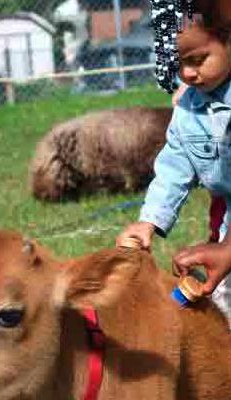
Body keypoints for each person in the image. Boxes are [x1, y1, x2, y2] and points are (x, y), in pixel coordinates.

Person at [116, 0, 231, 324]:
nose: (188, 73)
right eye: (179, 63)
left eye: (198, 60)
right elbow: (174, 167)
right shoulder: (188, 109)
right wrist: (148, 221)